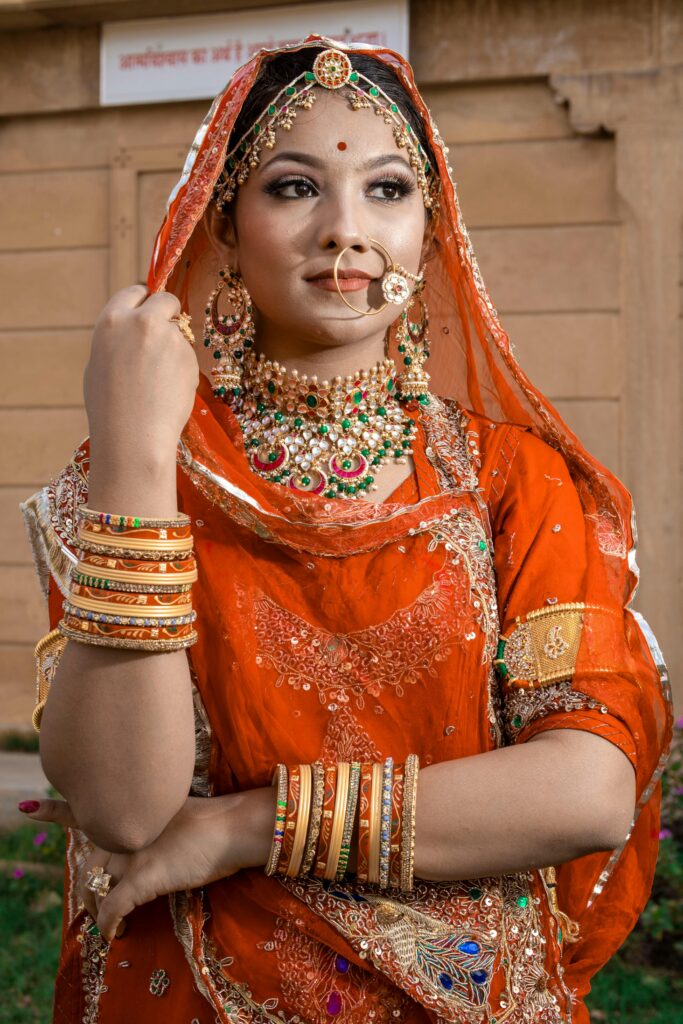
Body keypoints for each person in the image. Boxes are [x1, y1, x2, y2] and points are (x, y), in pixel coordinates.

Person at [18, 35, 672, 1024]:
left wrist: (245, 826)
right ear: (225, 225)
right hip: (191, 985)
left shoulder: (511, 482)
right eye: (293, 188)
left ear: (429, 229)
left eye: (387, 190)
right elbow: (124, 808)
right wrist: (140, 454)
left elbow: (585, 791)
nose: (345, 231)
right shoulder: (138, 471)